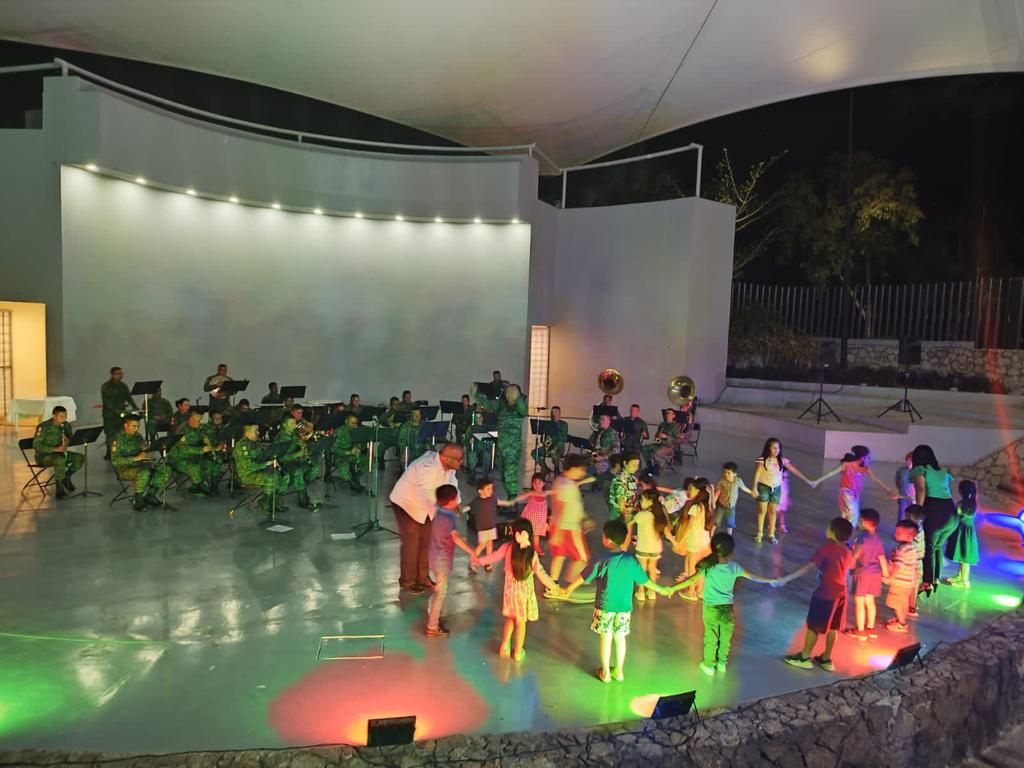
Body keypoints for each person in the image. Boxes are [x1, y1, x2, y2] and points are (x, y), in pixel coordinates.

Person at [564, 518, 672, 683]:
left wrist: (568, 589)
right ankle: (619, 671)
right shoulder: (630, 560)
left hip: (605, 606)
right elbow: (645, 581)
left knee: (605, 638)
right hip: (624, 607)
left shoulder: (602, 559)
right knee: (620, 638)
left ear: (607, 540)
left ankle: (606, 673)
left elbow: (584, 576)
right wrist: (662, 590)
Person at [670, 532, 776, 676]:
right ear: (731, 551)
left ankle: (708, 665)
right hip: (727, 609)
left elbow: (691, 580)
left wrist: (672, 589)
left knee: (711, 637)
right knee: (725, 638)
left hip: (710, 608)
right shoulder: (734, 567)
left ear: (713, 549)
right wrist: (772, 581)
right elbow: (754, 577)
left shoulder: (708, 567)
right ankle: (721, 663)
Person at [777, 517, 855, 672]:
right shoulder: (847, 552)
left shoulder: (825, 550)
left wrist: (785, 579)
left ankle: (804, 657)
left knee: (814, 626)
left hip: (825, 594)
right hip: (841, 594)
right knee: (833, 627)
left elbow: (808, 567)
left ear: (832, 532)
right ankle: (826, 659)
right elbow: (849, 571)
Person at [477, 518, 562, 660]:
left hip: (510, 593)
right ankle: (517, 652)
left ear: (514, 533)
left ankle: (504, 646)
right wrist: (555, 588)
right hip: (524, 595)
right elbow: (542, 574)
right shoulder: (531, 554)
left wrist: (478, 560)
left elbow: (493, 557)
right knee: (521, 623)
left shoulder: (507, 548)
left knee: (510, 618)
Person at [389, 443, 464, 593]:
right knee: (412, 542)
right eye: (458, 459)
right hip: (407, 504)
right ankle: (408, 581)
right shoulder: (426, 467)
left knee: (428, 540)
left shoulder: (449, 467)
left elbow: (452, 485)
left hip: (428, 506)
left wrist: (457, 502)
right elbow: (428, 494)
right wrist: (446, 509)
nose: (461, 462)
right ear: (446, 458)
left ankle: (423, 578)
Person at [425, 484, 477, 638]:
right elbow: (456, 538)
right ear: (451, 500)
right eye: (456, 497)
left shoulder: (439, 511)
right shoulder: (448, 517)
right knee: (440, 593)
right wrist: (472, 552)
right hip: (442, 560)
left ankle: (434, 616)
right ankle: (432, 626)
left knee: (439, 590)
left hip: (434, 556)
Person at [910, 444, 957, 596]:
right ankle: (935, 578)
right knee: (937, 547)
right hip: (951, 512)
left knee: (929, 548)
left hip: (935, 510)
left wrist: (918, 510)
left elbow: (921, 489)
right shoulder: (943, 470)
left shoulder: (920, 470)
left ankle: (927, 582)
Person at [811, 446, 898, 527]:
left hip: (855, 494)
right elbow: (831, 472)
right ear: (862, 458)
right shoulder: (847, 465)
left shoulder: (864, 468)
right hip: (846, 493)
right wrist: (817, 481)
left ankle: (843, 530)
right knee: (852, 516)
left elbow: (874, 478)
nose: (869, 459)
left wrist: (887, 490)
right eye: (868, 457)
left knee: (850, 515)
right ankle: (846, 533)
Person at [751, 438, 813, 544]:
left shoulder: (782, 460)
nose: (776, 450)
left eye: (778, 448)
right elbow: (757, 473)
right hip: (764, 487)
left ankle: (771, 534)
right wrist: (754, 487)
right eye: (774, 448)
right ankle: (760, 533)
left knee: (773, 511)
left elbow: (794, 470)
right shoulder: (763, 460)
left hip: (776, 489)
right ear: (768, 448)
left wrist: (807, 480)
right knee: (762, 510)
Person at [547, 456, 595, 589]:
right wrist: (557, 532)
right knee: (581, 557)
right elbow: (561, 508)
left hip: (563, 525)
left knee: (560, 555)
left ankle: (553, 584)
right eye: (581, 470)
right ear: (573, 469)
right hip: (569, 528)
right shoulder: (566, 486)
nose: (583, 473)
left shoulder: (562, 482)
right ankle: (573, 582)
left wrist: (584, 518)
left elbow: (572, 505)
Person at [474, 382, 528, 497]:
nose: (509, 394)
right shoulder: (502, 406)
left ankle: (512, 499)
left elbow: (523, 409)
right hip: (501, 446)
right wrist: (476, 395)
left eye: (512, 392)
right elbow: (488, 404)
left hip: (512, 448)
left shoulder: (519, 408)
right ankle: (510, 496)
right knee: (503, 474)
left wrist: (518, 398)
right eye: (508, 392)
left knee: (510, 473)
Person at [844, 508, 888, 641]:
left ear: (863, 521)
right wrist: (886, 574)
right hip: (875, 574)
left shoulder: (862, 538)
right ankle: (870, 628)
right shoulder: (877, 539)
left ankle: (860, 630)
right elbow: (882, 558)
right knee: (870, 601)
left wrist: (850, 566)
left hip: (863, 574)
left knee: (859, 602)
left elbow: (854, 556)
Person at [111, 413, 168, 511]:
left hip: (141, 464)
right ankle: (138, 501)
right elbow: (115, 461)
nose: (136, 429)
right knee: (144, 472)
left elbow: (144, 449)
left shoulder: (138, 436)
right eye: (134, 426)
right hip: (125, 468)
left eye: (138, 426)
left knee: (164, 469)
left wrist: (147, 452)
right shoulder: (117, 440)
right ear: (126, 425)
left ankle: (151, 495)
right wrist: (136, 458)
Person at [672, 477, 716, 601]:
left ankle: (691, 592)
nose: (692, 491)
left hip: (694, 541)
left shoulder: (695, 508)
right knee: (701, 567)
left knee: (692, 568)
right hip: (705, 541)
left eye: (694, 489)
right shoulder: (708, 507)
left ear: (699, 491)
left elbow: (689, 528)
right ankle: (701, 590)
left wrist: (680, 542)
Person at [627, 489, 674, 602]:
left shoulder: (641, 515)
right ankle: (652, 592)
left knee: (642, 569)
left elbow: (628, 524)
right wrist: (675, 542)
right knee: (652, 569)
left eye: (642, 500)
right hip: (656, 548)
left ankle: (641, 592)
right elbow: (667, 532)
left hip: (643, 547)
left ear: (650, 502)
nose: (640, 502)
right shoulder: (658, 516)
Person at [233, 422, 287, 513]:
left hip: (259, 470)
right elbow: (249, 466)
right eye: (256, 431)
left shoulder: (255, 443)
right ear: (247, 432)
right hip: (248, 475)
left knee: (284, 476)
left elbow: (261, 456)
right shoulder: (242, 447)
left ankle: (275, 502)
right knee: (271, 478)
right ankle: (265, 503)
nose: (258, 433)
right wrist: (267, 463)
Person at [32, 405, 83, 500]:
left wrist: (68, 440)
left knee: (80, 458)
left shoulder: (66, 426)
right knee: (60, 460)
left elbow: (71, 439)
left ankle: (66, 478)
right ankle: (59, 490)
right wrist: (55, 449)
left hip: (60, 453)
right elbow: (36, 445)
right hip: (43, 456)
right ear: (54, 416)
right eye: (61, 416)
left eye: (65, 416)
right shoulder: (44, 427)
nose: (64, 419)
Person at [468, 477, 516, 572]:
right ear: (480, 491)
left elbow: (499, 502)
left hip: (491, 527)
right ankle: (472, 561)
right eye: (488, 489)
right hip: (482, 528)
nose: (491, 491)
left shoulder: (492, 499)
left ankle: (488, 562)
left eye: (491, 488)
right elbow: (469, 508)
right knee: (482, 545)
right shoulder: (476, 502)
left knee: (490, 544)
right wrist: (460, 510)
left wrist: (508, 503)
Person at [272, 415, 319, 509]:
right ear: (284, 425)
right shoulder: (281, 438)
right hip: (283, 464)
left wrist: (303, 445)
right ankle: (303, 500)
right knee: (298, 472)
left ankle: (302, 486)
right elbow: (280, 458)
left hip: (293, 462)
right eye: (291, 424)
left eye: (294, 423)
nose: (294, 425)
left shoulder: (292, 434)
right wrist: (297, 454)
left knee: (315, 468)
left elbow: (298, 442)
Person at [169, 408, 218, 496]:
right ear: (191, 419)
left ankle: (197, 486)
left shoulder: (197, 428)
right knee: (194, 467)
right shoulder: (181, 430)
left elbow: (202, 436)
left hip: (193, 456)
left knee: (210, 463)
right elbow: (181, 449)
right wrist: (201, 450)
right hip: (178, 458)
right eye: (198, 420)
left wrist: (207, 441)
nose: (200, 423)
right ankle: (203, 487)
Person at [883, 520, 920, 633]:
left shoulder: (902, 549)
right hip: (908, 581)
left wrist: (891, 577)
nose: (895, 534)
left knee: (895, 602)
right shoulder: (912, 547)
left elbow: (898, 565)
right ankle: (900, 619)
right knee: (903, 602)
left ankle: (901, 624)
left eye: (898, 533)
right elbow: (915, 564)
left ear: (909, 536)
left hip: (899, 581)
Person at [943, 480, 980, 588]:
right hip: (969, 532)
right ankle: (960, 576)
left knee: (964, 559)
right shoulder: (973, 504)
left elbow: (955, 517)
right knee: (963, 555)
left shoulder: (961, 504)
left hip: (962, 531)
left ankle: (964, 581)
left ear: (961, 491)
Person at [101, 366, 138, 459]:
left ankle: (119, 451)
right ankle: (109, 453)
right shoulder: (106, 386)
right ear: (112, 375)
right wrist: (115, 410)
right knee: (110, 434)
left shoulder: (123, 386)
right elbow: (107, 402)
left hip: (121, 415)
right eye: (117, 374)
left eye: (121, 374)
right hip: (110, 415)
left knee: (121, 433)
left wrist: (135, 407)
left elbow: (129, 398)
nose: (120, 375)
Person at [714, 462, 755, 536]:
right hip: (721, 505)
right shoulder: (722, 481)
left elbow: (744, 488)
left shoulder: (738, 481)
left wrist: (751, 492)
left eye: (728, 473)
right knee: (716, 521)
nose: (726, 474)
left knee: (730, 523)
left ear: (735, 474)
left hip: (731, 506)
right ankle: (711, 534)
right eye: (725, 472)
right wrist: (713, 502)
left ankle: (729, 536)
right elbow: (717, 492)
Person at [331, 413, 368, 493]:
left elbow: (362, 445)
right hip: (340, 456)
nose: (355, 425)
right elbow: (333, 449)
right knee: (343, 465)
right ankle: (352, 483)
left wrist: (359, 447)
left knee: (370, 460)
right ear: (346, 422)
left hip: (353, 455)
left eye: (356, 423)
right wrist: (348, 452)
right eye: (352, 423)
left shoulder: (356, 431)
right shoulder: (339, 432)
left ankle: (356, 477)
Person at [530, 405, 568, 477]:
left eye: (556, 412)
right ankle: (545, 468)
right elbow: (543, 438)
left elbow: (562, 439)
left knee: (554, 454)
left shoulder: (563, 424)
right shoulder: (548, 424)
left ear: (560, 414)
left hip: (558, 448)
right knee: (534, 453)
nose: (554, 414)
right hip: (548, 446)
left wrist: (555, 448)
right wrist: (543, 438)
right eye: (552, 412)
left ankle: (556, 469)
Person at [519, 473, 551, 556]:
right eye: (534, 483)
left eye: (539, 482)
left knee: (536, 534)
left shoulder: (545, 493)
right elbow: (523, 497)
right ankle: (525, 548)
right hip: (530, 517)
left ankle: (536, 547)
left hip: (539, 519)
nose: (537, 485)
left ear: (544, 483)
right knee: (527, 533)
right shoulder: (532, 493)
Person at [642, 409, 681, 475]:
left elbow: (678, 440)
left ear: (673, 415)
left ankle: (655, 467)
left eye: (669, 413)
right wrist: (657, 438)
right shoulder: (662, 424)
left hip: (668, 447)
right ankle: (651, 467)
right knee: (644, 448)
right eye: (666, 413)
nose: (667, 415)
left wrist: (667, 437)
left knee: (655, 452)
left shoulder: (675, 426)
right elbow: (657, 437)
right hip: (659, 444)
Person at [905, 505, 926, 618]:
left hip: (911, 563)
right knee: (914, 586)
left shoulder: (913, 531)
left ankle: (907, 607)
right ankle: (912, 606)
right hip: (918, 563)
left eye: (908, 517)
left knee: (907, 585)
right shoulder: (920, 528)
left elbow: (910, 547)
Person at [588, 413, 618, 491]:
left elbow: (616, 450)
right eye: (600, 419)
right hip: (596, 455)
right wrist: (594, 453)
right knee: (582, 461)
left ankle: (598, 482)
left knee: (599, 465)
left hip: (607, 459)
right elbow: (591, 442)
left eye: (603, 419)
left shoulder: (613, 433)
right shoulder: (598, 431)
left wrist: (603, 457)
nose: (601, 421)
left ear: (609, 421)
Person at [607, 451, 640, 520]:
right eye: (633, 465)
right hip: (621, 514)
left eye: (637, 465)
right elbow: (620, 501)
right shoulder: (619, 480)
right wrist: (625, 517)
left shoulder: (631, 477)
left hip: (630, 511)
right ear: (625, 463)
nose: (636, 467)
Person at [463, 410, 495, 479]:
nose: (479, 419)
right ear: (475, 419)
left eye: (480, 417)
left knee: (487, 454)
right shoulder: (471, 428)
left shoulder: (486, 427)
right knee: (472, 455)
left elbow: (491, 439)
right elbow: (464, 441)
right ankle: (472, 476)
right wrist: (469, 441)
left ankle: (485, 475)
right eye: (477, 418)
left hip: (484, 447)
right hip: (474, 448)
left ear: (483, 418)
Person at [895, 452, 915, 520]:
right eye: (908, 460)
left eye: (912, 460)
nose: (910, 462)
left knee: (913, 517)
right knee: (901, 516)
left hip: (914, 499)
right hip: (903, 497)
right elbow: (897, 482)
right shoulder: (901, 470)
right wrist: (901, 491)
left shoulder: (918, 472)